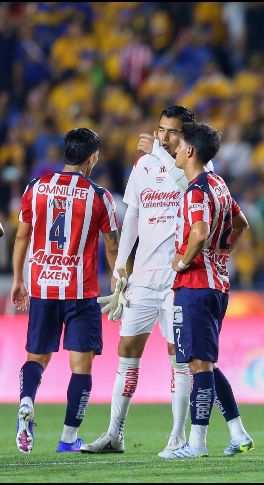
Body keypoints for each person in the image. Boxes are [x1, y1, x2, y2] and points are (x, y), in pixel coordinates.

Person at [81, 106, 248, 457]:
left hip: (181, 279)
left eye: (173, 132)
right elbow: (133, 215)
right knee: (127, 351)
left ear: (187, 139)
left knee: (183, 359)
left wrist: (159, 154)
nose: (165, 137)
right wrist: (120, 266)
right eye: (161, 130)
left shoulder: (200, 170)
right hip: (144, 276)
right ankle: (114, 433)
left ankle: (177, 437)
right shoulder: (143, 166)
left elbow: (191, 191)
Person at [13, 128, 120, 453]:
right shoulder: (99, 196)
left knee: (37, 356)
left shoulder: (36, 187)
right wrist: (118, 282)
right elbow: (112, 245)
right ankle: (69, 439)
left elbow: (21, 236)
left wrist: (18, 279)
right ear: (92, 158)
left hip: (43, 286)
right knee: (81, 365)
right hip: (80, 291)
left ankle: (27, 400)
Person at [157, 122, 250, 459]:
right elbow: (241, 224)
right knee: (205, 362)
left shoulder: (196, 190)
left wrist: (182, 262)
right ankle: (238, 432)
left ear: (191, 150)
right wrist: (220, 255)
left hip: (195, 286)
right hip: (217, 285)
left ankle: (196, 444)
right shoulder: (219, 184)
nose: (175, 149)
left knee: (198, 365)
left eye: (179, 144)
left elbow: (199, 232)